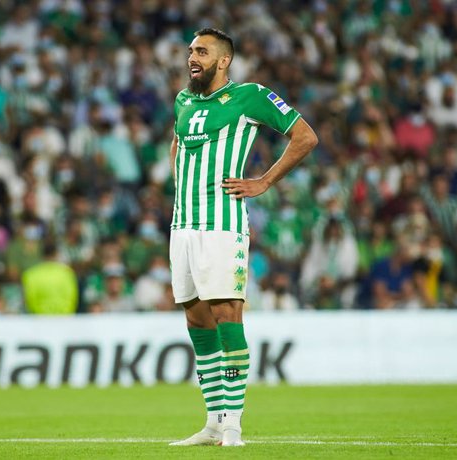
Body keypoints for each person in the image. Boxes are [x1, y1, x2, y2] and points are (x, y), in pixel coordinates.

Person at [169, 29, 317, 447]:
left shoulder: (251, 96)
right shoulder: (183, 100)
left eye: (202, 51)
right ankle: (213, 421)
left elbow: (305, 137)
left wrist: (264, 181)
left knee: (227, 315)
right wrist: (180, 184)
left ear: (224, 60)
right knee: (197, 320)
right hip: (182, 226)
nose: (192, 57)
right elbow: (177, 143)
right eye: (190, 51)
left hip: (222, 224)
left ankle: (233, 425)